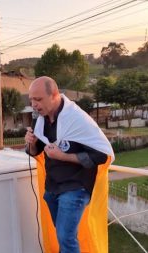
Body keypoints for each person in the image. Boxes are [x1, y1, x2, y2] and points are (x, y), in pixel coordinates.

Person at [25, 76, 114, 253]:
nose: (34, 105)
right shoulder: (41, 120)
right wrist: (32, 142)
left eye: (38, 99)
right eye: (32, 100)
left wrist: (64, 157)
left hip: (76, 187)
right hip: (52, 188)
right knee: (63, 236)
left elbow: (101, 155)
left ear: (54, 95)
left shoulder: (77, 119)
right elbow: (37, 151)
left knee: (66, 237)